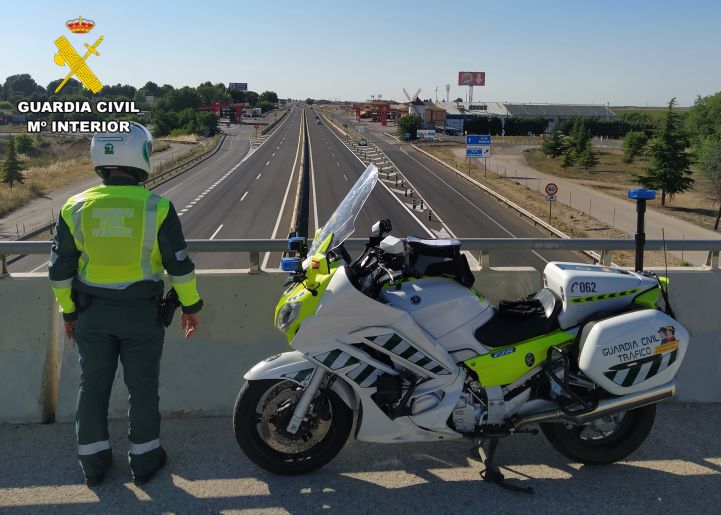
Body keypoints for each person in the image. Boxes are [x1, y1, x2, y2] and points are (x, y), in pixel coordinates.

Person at [48, 122, 203, 486]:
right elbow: (179, 267)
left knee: (93, 386)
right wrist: (191, 306)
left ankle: (94, 464)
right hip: (142, 315)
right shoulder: (158, 207)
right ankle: (145, 460)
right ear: (142, 156)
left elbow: (58, 272)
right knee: (143, 386)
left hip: (91, 313)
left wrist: (68, 311)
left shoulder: (75, 207)